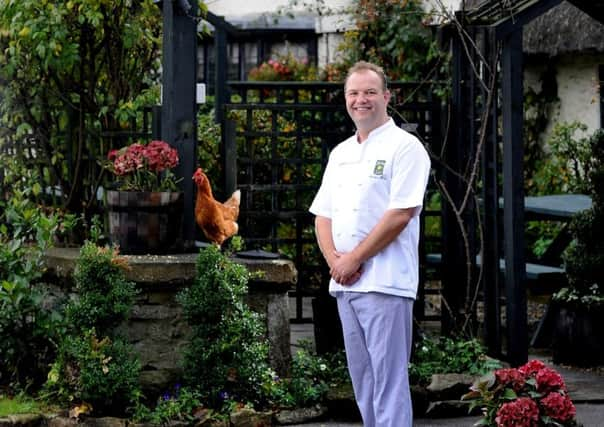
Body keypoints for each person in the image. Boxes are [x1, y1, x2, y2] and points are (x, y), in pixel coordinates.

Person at [309, 61, 431, 426]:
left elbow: (400, 214)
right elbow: (322, 216)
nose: (361, 100)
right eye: (354, 93)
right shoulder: (341, 152)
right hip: (346, 284)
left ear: (387, 97)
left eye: (369, 92)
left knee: (389, 381)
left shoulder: (406, 148)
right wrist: (336, 261)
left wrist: (354, 259)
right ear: (345, 99)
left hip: (387, 283)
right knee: (362, 380)